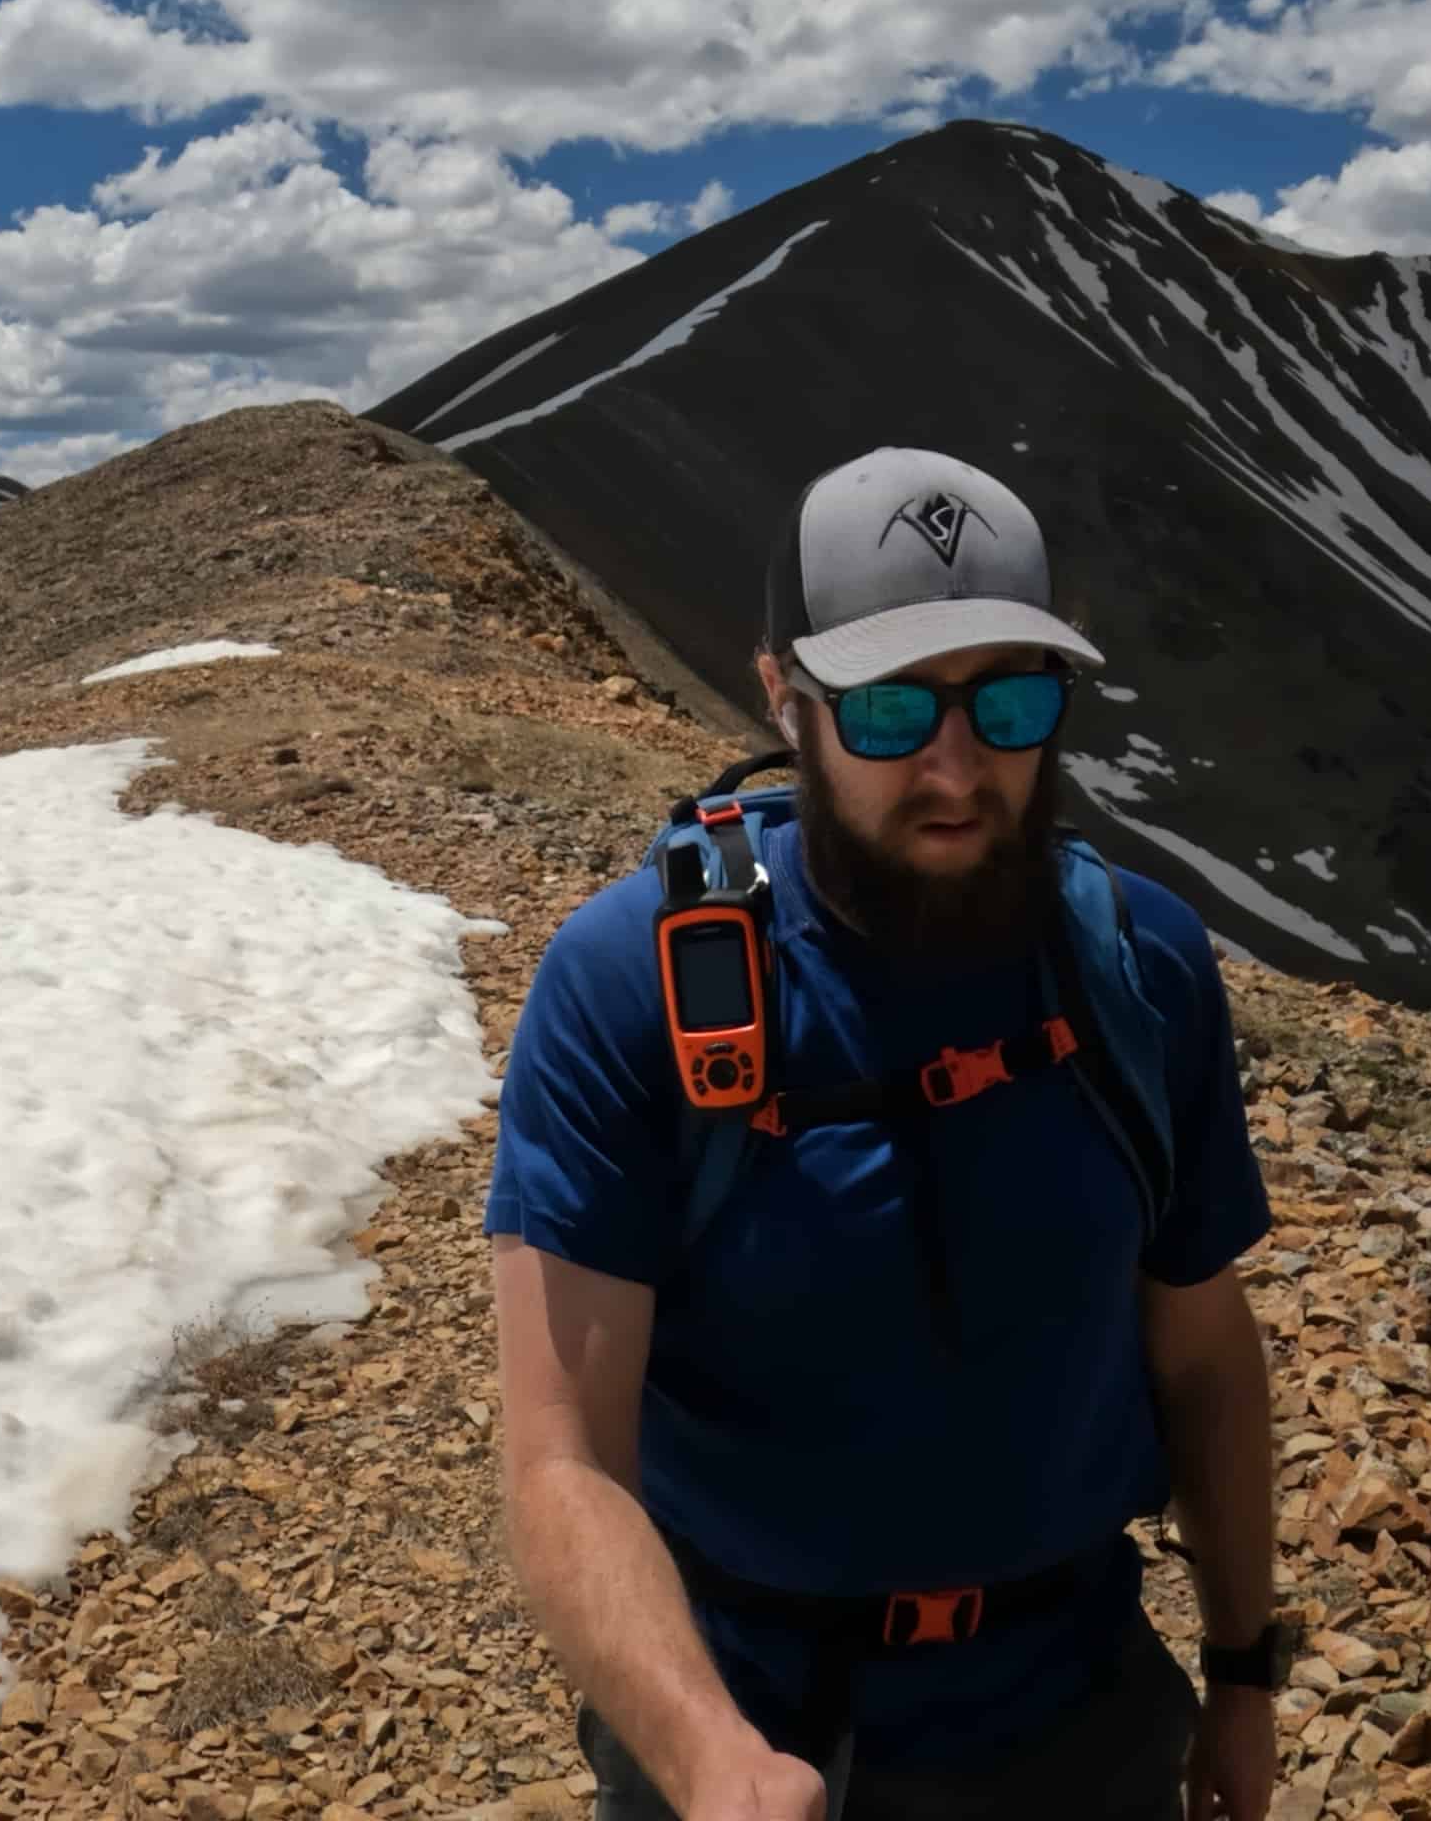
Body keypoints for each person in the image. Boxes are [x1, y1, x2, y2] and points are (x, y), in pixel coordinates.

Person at [483, 446, 1291, 1820]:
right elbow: (561, 1457)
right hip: (750, 1711)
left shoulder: (1140, 964)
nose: (959, 768)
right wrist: (705, 1759)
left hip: (1078, 1713)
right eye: (891, 709)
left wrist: (1244, 1674)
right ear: (780, 696)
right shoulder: (631, 986)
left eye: (1014, 702)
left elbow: (1203, 1349)